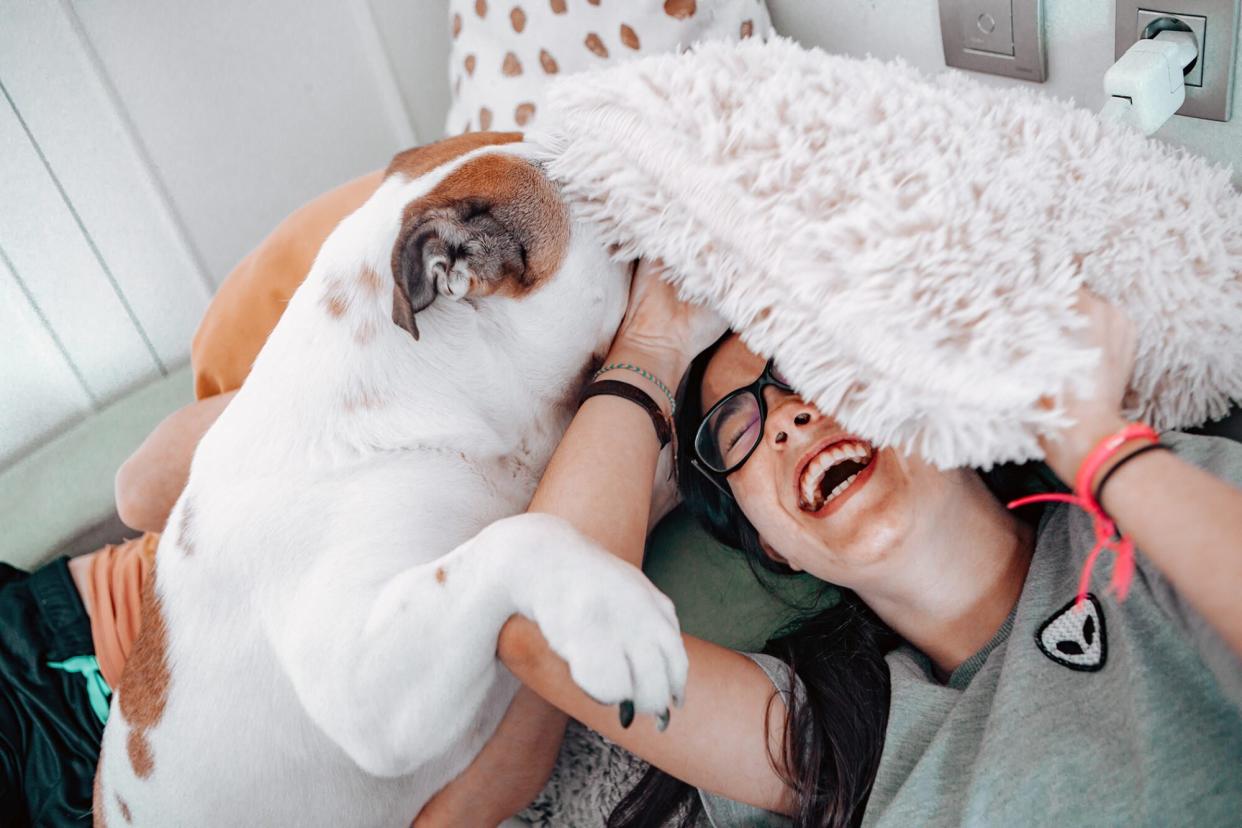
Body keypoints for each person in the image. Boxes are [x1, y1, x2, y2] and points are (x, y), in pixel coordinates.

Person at [417, 268, 1242, 827]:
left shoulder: (1147, 514)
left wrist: (1093, 443)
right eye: (734, 426)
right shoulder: (840, 734)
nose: (785, 418)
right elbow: (544, 630)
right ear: (777, 549)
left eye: (813, 371)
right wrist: (653, 346)